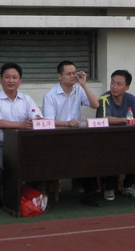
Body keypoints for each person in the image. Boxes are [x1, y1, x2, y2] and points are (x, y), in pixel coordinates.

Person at [42, 60, 101, 206]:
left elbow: (95, 105)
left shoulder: (79, 90)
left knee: (90, 154)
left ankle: (90, 195)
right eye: (69, 74)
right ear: (59, 76)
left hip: (76, 136)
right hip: (57, 138)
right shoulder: (51, 95)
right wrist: (67, 123)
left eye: (74, 73)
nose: (73, 76)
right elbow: (48, 121)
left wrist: (84, 85)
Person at [0, 62, 41, 210]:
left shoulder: (27, 99)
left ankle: (31, 195)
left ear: (20, 81)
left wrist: (35, 121)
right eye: (7, 77)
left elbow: (37, 118)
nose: (11, 81)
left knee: (39, 163)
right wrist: (21, 125)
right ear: (1, 79)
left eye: (15, 77)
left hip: (22, 144)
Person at [96, 69, 135, 200]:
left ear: (127, 87)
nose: (114, 87)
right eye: (112, 83)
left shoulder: (130, 98)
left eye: (119, 84)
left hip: (128, 139)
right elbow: (104, 119)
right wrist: (125, 119)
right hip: (108, 139)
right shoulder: (104, 98)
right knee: (112, 154)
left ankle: (129, 185)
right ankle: (109, 187)